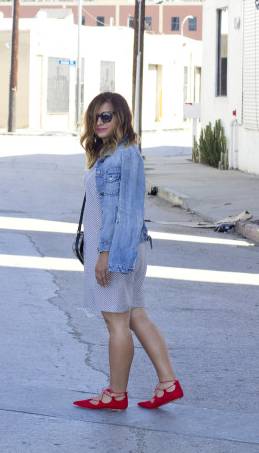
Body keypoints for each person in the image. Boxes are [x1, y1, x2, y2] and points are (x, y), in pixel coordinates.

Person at [73, 91, 183, 411]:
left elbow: (121, 212)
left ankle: (116, 394)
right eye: (95, 117)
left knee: (117, 324)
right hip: (127, 248)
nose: (99, 122)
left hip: (117, 251)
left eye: (106, 116)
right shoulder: (117, 154)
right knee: (136, 317)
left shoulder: (123, 155)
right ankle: (168, 383)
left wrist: (104, 254)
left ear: (121, 117)